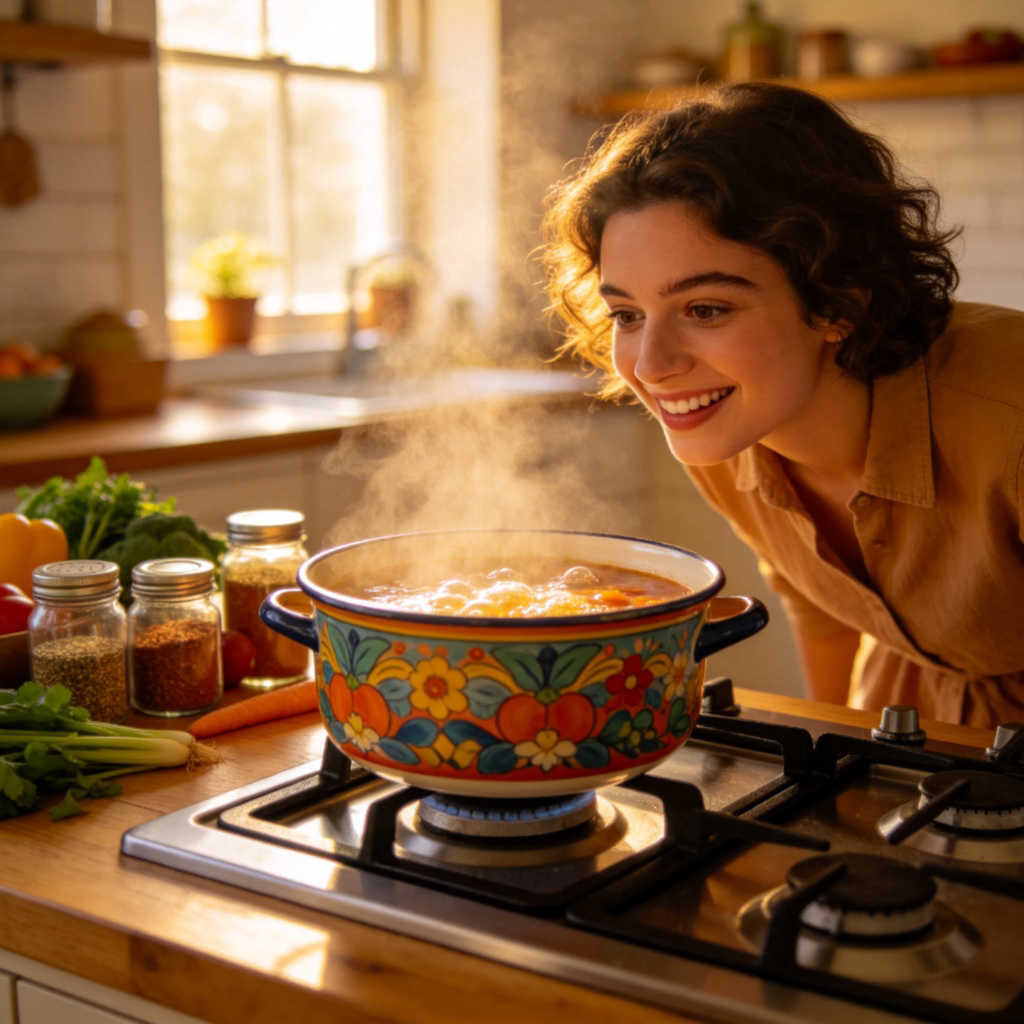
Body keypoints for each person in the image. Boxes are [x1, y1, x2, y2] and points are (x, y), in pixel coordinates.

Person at [541, 81, 1024, 728]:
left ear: (838, 302)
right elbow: (822, 608)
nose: (652, 368)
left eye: (705, 309)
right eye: (626, 314)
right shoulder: (719, 423)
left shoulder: (1010, 419)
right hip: (910, 719)